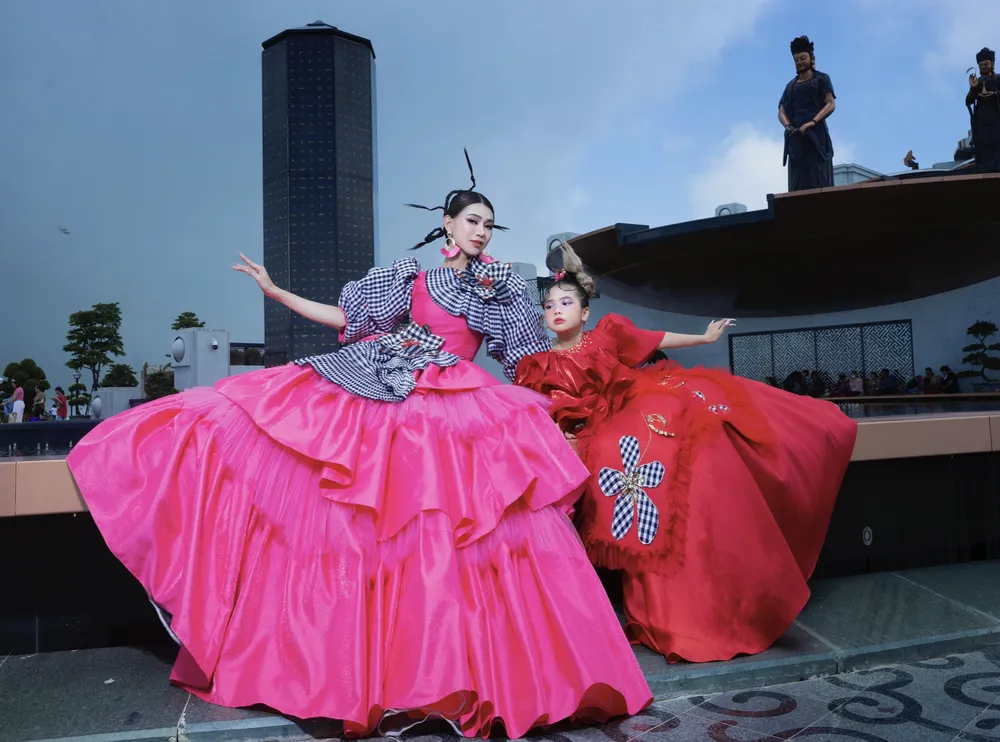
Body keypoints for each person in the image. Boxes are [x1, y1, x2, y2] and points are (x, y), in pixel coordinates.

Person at [65, 155, 651, 738]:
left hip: (458, 409)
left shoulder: (500, 290)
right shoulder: (409, 278)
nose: (481, 231)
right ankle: (376, 672)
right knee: (340, 498)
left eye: (489, 225)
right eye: (473, 220)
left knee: (456, 533)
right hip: (385, 389)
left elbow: (531, 358)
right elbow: (345, 316)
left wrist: (587, 380)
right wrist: (276, 291)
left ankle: (459, 674)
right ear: (447, 225)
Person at [515, 241, 858, 663]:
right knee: (618, 455)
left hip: (626, 409)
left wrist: (705, 337)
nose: (556, 311)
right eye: (549, 305)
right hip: (588, 433)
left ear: (585, 312)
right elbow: (539, 412)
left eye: (566, 302)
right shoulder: (537, 364)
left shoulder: (606, 335)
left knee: (692, 427)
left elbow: (656, 338)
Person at [779, 36, 837, 191]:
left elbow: (830, 104)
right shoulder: (790, 86)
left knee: (818, 175)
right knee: (797, 178)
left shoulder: (821, 79)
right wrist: (789, 126)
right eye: (796, 60)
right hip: (796, 136)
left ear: (811, 58)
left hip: (816, 134)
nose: (799, 62)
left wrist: (812, 122)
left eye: (803, 58)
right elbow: (782, 111)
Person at [967, 47, 1000, 172]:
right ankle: (984, 166)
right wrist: (973, 88)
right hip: (982, 119)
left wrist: (995, 94)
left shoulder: (998, 79)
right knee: (982, 142)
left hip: (996, 116)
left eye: (986, 64)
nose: (984, 67)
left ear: (992, 64)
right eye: (981, 65)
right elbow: (968, 101)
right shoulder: (978, 82)